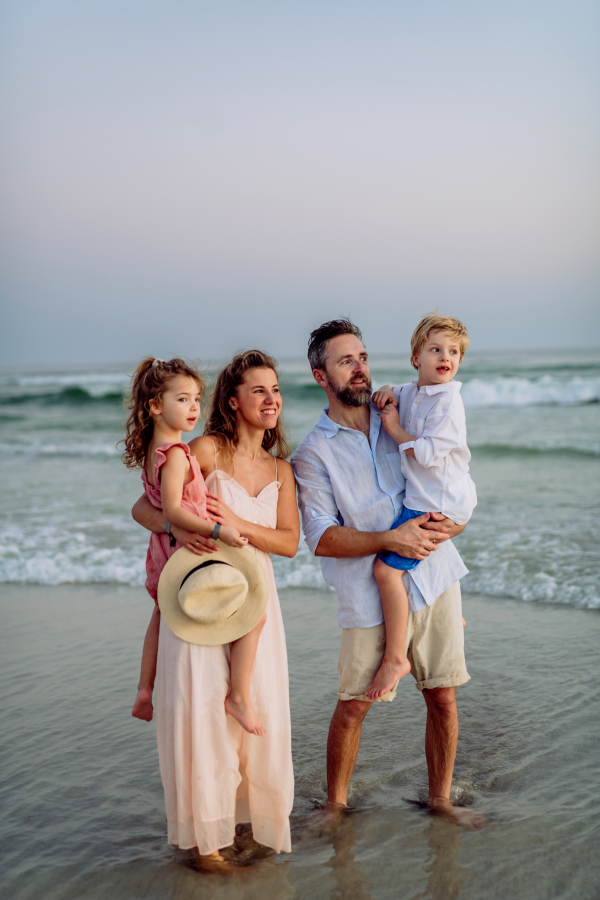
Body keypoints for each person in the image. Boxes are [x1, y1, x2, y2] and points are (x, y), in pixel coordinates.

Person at [292, 318, 482, 828]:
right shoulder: (313, 453)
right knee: (354, 705)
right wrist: (389, 540)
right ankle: (335, 806)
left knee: (442, 696)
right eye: (345, 361)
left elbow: (447, 482)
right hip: (366, 592)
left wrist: (448, 529)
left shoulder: (400, 415)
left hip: (434, 578)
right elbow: (322, 538)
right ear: (320, 375)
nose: (360, 369)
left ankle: (440, 799)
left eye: (363, 357)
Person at [131, 350, 299, 863]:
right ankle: (206, 842)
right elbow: (146, 505)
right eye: (258, 390)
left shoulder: (281, 470)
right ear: (233, 400)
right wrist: (176, 526)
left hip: (253, 596)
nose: (271, 400)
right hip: (202, 592)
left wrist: (239, 526)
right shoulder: (204, 448)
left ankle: (244, 820)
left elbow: (289, 543)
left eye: (275, 390)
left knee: (254, 706)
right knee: (204, 709)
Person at [121, 356, 260, 731]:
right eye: (183, 399)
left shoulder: (154, 451)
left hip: (163, 552)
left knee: (160, 613)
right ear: (155, 406)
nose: (195, 407)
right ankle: (240, 696)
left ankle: (144, 688)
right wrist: (220, 531)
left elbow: (159, 510)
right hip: (191, 549)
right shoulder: (178, 455)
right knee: (253, 612)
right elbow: (173, 509)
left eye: (197, 398)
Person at [365, 314, 477, 700]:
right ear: (417, 358)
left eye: (453, 352)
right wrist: (383, 392)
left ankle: (396, 658)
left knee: (385, 570)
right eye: (436, 350)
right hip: (428, 499)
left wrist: (394, 428)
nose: (445, 357)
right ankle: (449, 616)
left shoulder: (449, 403)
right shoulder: (413, 391)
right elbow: (393, 390)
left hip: (438, 502)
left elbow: (428, 455)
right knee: (416, 556)